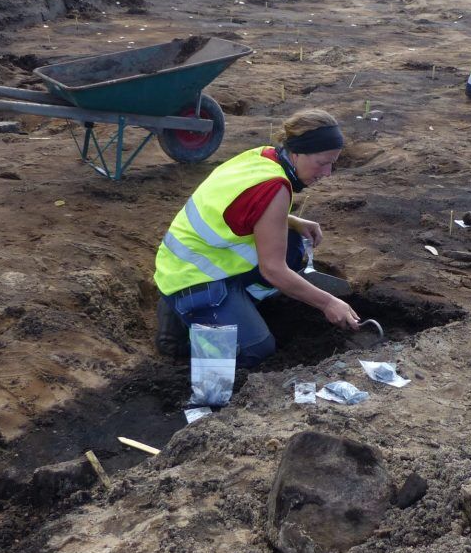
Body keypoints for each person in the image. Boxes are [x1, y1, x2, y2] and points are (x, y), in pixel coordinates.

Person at [153, 109, 360, 367]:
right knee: (256, 350)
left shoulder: (264, 156)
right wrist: (328, 303)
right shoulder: (275, 188)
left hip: (187, 263)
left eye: (333, 163)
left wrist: (292, 220)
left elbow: (242, 209)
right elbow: (273, 271)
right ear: (297, 153)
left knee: (292, 245)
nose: (327, 172)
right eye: (322, 162)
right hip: (193, 279)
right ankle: (185, 331)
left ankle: (226, 309)